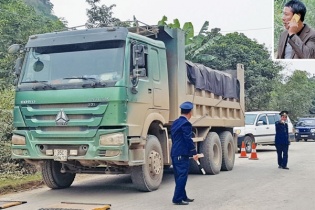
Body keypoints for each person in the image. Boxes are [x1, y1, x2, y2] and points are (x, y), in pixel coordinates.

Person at [171, 101, 199, 205]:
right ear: (190, 113)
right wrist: (194, 153)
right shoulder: (186, 124)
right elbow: (188, 139)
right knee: (182, 176)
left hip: (175, 153)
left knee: (179, 176)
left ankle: (183, 196)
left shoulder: (175, 122)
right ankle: (177, 199)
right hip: (181, 154)